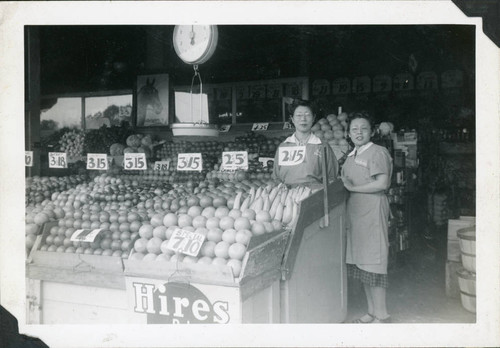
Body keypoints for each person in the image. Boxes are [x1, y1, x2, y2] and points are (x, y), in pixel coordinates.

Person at [341, 111, 393, 323]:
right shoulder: (352, 155)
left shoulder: (377, 152)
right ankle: (371, 311)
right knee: (363, 264)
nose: (359, 132)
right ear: (349, 133)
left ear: (372, 131)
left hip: (372, 212)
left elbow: (383, 183)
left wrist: (354, 188)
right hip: (356, 215)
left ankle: (382, 314)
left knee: (375, 263)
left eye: (363, 128)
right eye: (354, 129)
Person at [272, 99, 338, 187]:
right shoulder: (283, 146)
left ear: (313, 118)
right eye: (299, 115)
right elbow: (276, 177)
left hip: (314, 197)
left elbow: (332, 177)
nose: (303, 119)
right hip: (287, 197)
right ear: (292, 119)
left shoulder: (322, 146)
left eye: (307, 115)